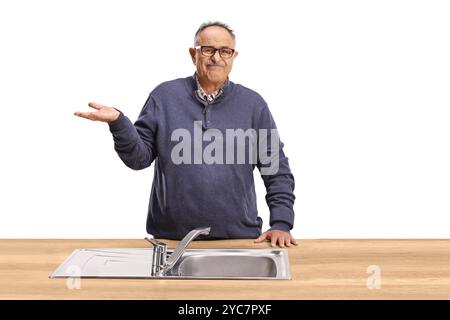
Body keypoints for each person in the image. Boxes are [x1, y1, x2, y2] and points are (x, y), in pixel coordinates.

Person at [74, 21, 297, 248]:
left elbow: (275, 169)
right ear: (194, 54)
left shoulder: (253, 104)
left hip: (239, 238)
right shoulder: (164, 96)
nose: (216, 58)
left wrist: (281, 222)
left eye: (225, 51)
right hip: (170, 240)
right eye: (208, 50)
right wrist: (119, 123)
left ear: (233, 56)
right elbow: (138, 159)